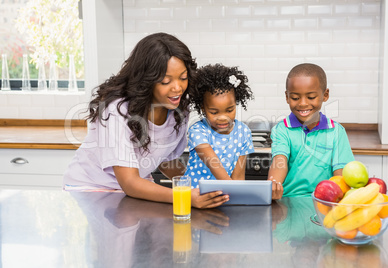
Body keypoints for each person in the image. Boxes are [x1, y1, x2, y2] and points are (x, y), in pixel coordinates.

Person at [63, 32, 228, 208]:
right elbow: (129, 182)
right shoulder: (117, 110)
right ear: (147, 80)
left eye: (183, 78)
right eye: (166, 81)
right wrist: (185, 196)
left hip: (133, 190)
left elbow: (165, 161)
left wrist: (200, 187)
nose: (178, 88)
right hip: (91, 190)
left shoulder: (178, 109)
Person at [184, 63, 283, 199]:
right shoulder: (198, 131)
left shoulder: (243, 132)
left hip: (222, 197)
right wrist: (235, 191)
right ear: (203, 108)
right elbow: (213, 162)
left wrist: (238, 197)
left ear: (236, 103)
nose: (223, 118)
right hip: (193, 197)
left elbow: (238, 176)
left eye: (229, 110)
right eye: (214, 112)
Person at [268, 63, 355, 197]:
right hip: (288, 200)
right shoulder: (282, 130)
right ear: (287, 97)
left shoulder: (336, 131)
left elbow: (341, 174)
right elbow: (280, 161)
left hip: (325, 202)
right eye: (295, 98)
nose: (303, 103)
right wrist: (274, 183)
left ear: (325, 95)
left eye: (311, 97)